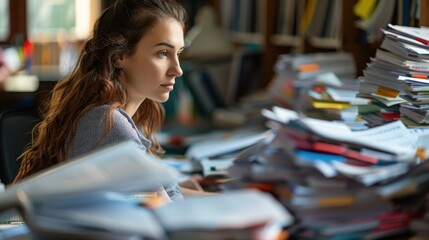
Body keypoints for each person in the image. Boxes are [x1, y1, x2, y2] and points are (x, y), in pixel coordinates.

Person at [14, 0, 207, 201]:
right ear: (120, 56)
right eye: (163, 53)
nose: (178, 69)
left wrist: (180, 188)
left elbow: (152, 197)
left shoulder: (112, 115)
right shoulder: (109, 125)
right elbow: (168, 213)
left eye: (178, 53)